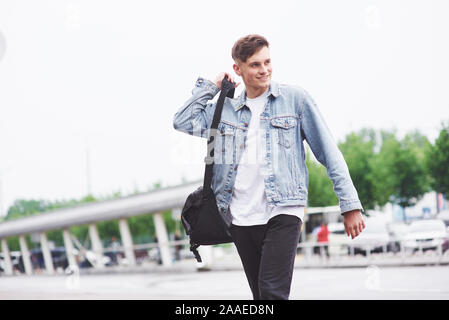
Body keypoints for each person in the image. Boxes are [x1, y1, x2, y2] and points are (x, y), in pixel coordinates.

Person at [173, 34, 365, 300]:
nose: (264, 70)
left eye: (267, 62)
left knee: (272, 292)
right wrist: (211, 87)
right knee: (261, 295)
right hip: (240, 217)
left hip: (284, 209)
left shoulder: (295, 100)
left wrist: (350, 204)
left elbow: (328, 152)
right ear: (237, 69)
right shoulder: (225, 109)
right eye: (254, 64)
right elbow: (182, 120)